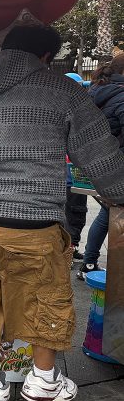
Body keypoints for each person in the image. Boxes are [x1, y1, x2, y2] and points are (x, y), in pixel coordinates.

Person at [0, 25, 124, 401]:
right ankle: (42, 381)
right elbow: (101, 156)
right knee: (45, 298)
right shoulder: (62, 90)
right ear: (45, 58)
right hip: (33, 220)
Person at [79, 50, 124, 278]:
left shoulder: (96, 90)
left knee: (106, 214)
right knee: (110, 215)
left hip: (99, 166)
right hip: (118, 168)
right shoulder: (120, 96)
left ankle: (88, 263)